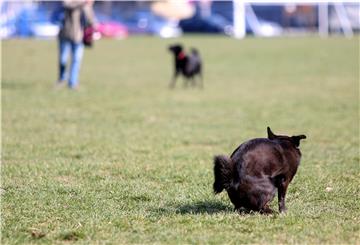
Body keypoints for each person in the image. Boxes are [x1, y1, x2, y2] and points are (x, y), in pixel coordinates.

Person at [57, 0, 95, 89]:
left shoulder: (85, 6)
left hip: (78, 36)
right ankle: (62, 79)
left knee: (76, 60)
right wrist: (83, 2)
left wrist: (88, 6)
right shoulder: (69, 3)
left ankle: (72, 83)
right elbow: (66, 4)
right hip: (64, 35)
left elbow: (91, 20)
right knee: (63, 59)